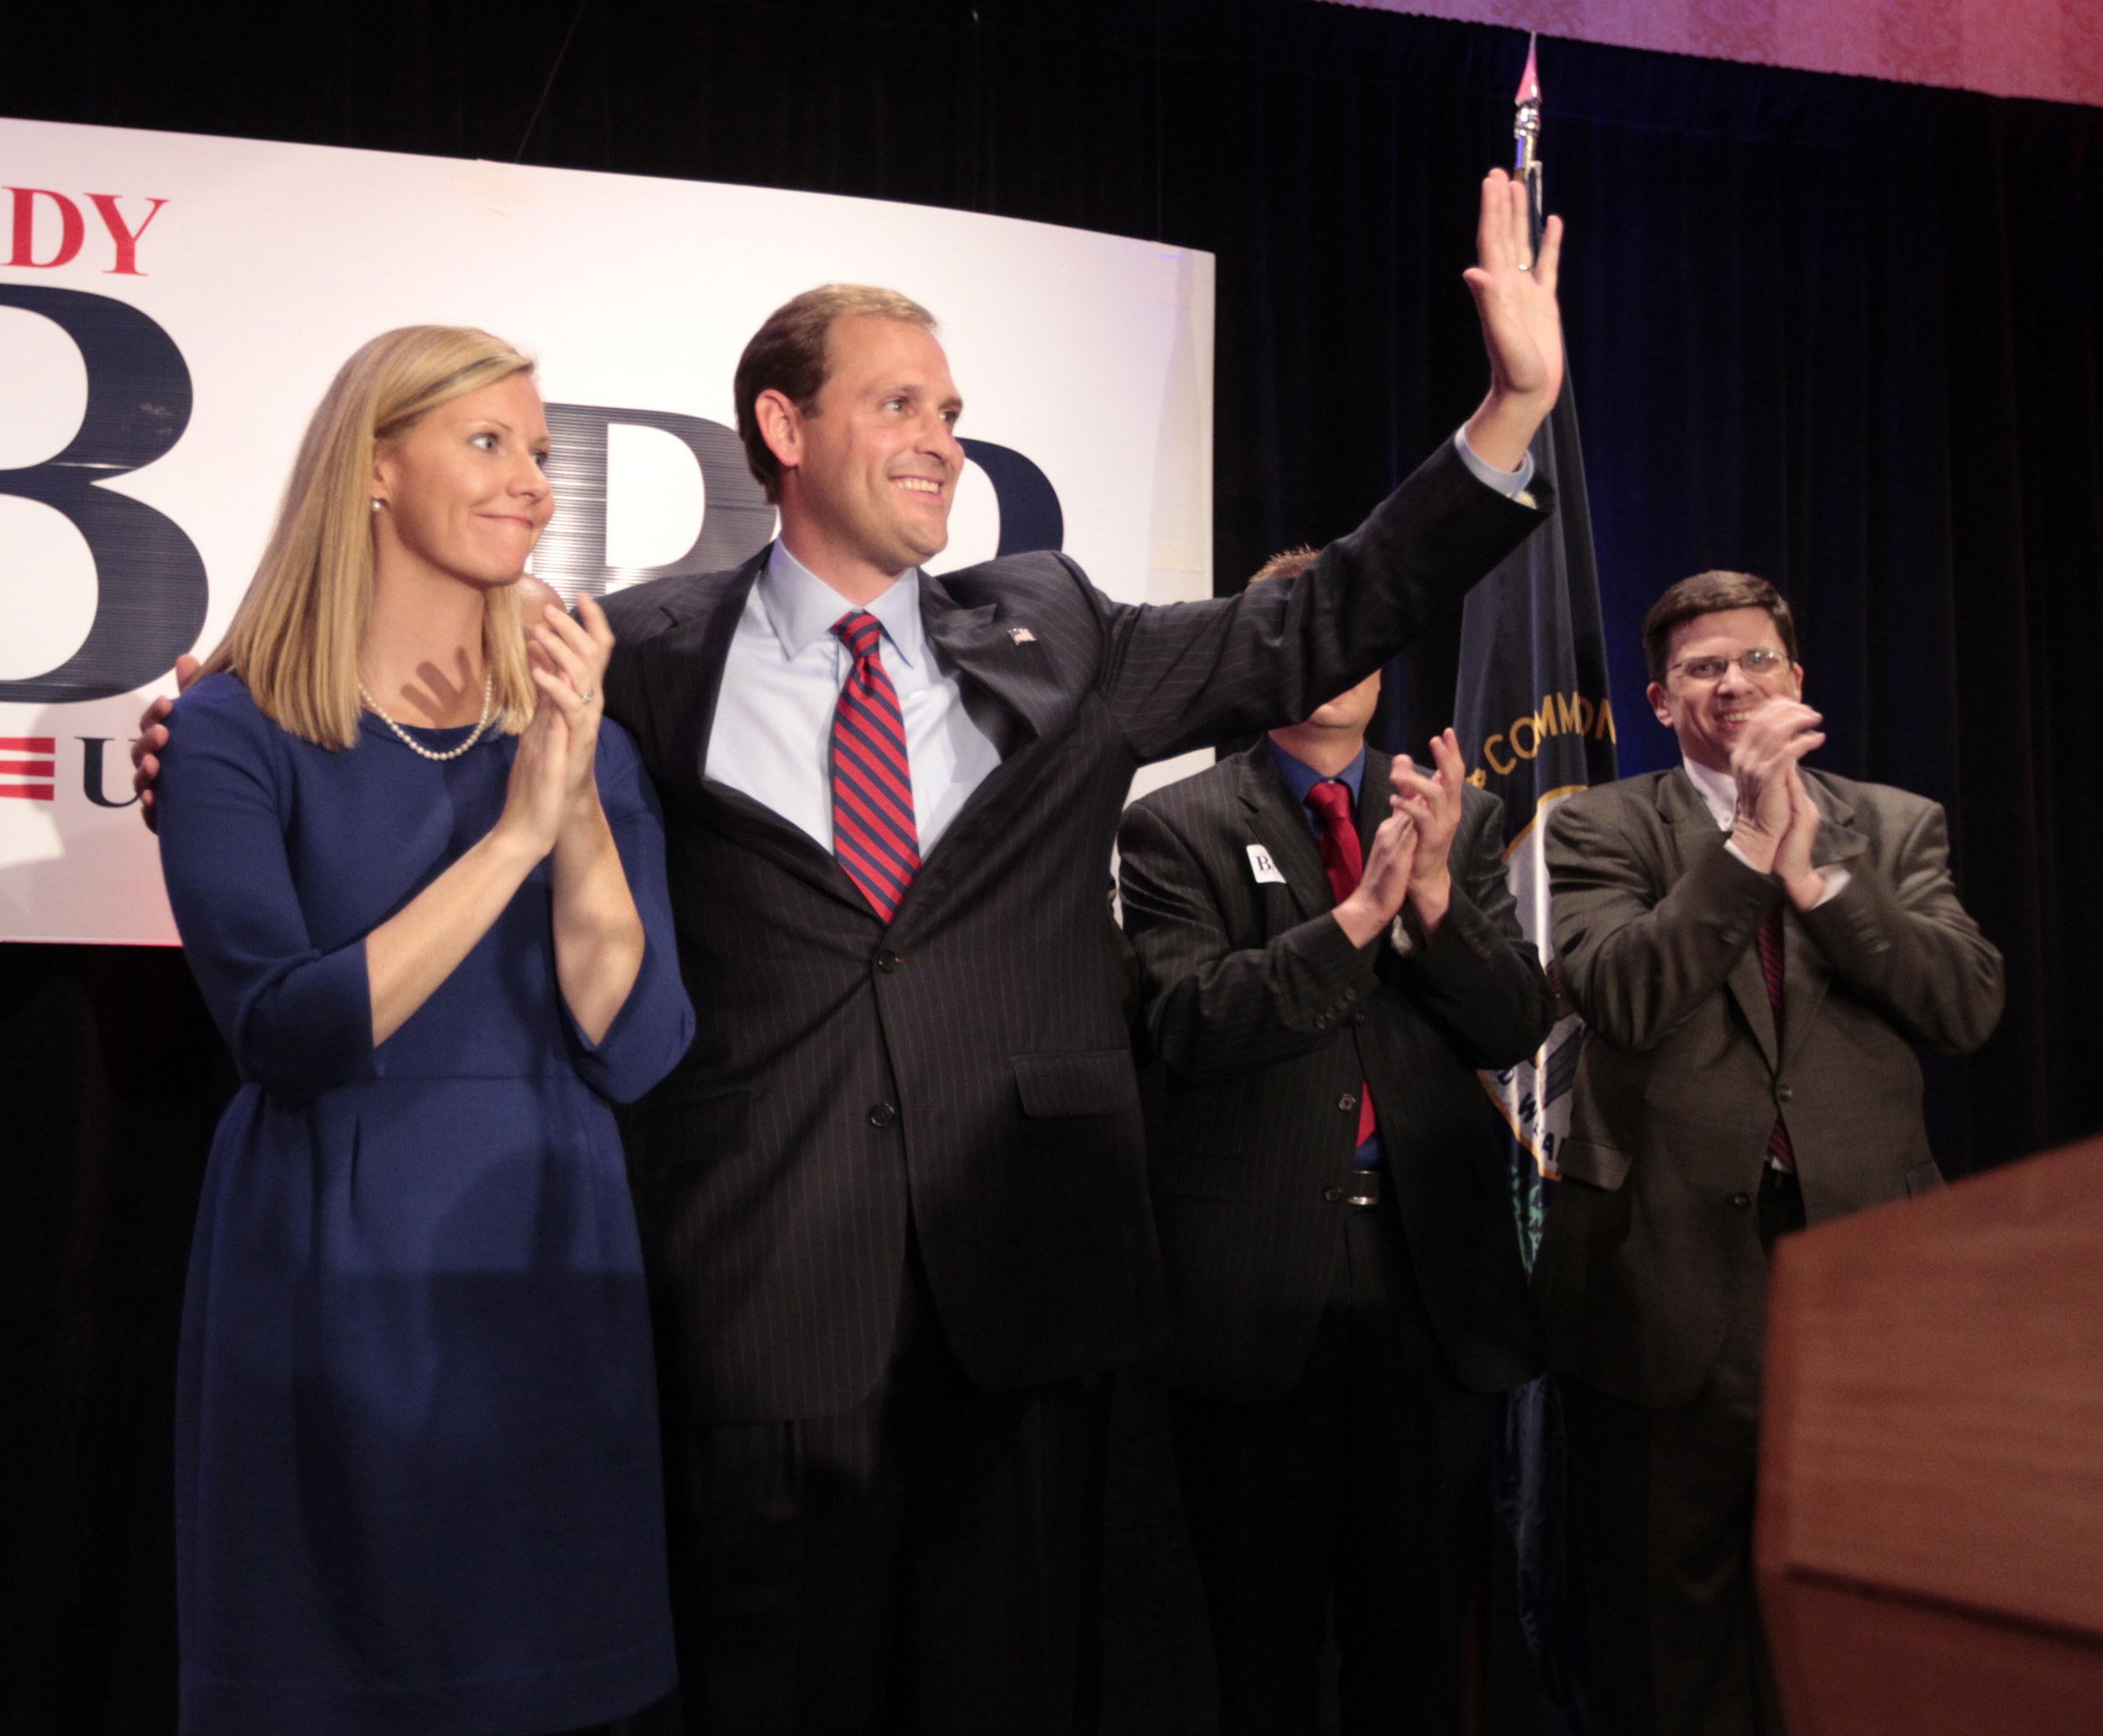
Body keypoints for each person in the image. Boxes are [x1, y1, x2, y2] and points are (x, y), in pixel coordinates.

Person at [138, 171, 1566, 1733]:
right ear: (783, 428)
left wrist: (1508, 413)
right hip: (760, 1303)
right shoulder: (643, 660)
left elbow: (1316, 619)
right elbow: (411, 717)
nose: (943, 436)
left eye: (952, 407)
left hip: (1025, 1297)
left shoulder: (1057, 632)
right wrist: (198, 717)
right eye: (898, 402)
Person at [152, 325, 695, 1734]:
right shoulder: (233, 727)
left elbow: (632, 1040)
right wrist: (516, 836)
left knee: (551, 1679)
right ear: (375, 467)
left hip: (544, 1249)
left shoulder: (586, 733)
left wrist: (569, 805)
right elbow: (286, 1027)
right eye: (488, 442)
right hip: (334, 1255)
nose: (532, 480)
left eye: (538, 451)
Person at [1540, 570, 2005, 1736]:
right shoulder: (1599, 826)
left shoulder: (1895, 826)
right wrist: (1747, 846)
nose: (1732, 683)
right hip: (1670, 1283)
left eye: (1755, 660)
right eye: (1703, 668)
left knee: (1858, 1624)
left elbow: (1966, 1006)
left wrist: (1817, 879)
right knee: (1670, 1635)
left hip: (1863, 1289)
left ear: (1799, 681)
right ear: (1659, 699)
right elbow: (1623, 996)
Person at [1116, 547, 1551, 1733]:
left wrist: (1436, 904)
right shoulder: (1173, 827)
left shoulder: (1455, 818)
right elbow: (1194, 1023)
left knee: (1416, 1650)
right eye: (1302, 626)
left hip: (1429, 1288)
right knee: (1257, 1651)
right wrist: (1360, 917)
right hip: (1254, 1292)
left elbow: (1515, 1021)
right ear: (1263, 653)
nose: (1337, 653)